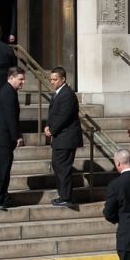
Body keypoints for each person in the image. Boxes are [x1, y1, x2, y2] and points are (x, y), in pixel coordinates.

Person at [0, 67, 26, 210]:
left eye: (23, 79)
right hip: (2, 138)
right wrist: (17, 137)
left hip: (3, 138)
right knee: (1, 170)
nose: (23, 82)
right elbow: (10, 117)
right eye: (20, 79)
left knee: (4, 170)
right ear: (11, 78)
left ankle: (1, 196)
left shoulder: (9, 91)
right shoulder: (8, 92)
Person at [44, 67, 83, 206]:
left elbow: (63, 116)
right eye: (51, 80)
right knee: (58, 165)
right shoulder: (58, 93)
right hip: (61, 137)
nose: (52, 82)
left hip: (66, 138)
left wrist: (52, 129)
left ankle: (66, 197)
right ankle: (64, 195)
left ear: (63, 79)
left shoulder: (67, 94)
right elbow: (54, 113)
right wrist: (48, 125)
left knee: (63, 167)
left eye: (55, 79)